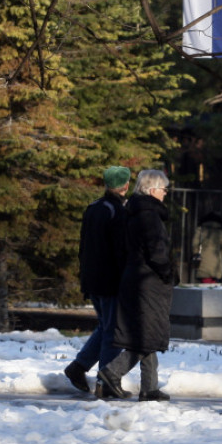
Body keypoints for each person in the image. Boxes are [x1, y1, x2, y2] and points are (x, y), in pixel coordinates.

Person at [98, 169, 176, 402]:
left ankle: (149, 388)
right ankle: (111, 372)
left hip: (138, 278)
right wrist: (167, 271)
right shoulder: (148, 214)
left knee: (148, 334)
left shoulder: (134, 210)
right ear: (153, 190)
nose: (165, 194)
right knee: (147, 337)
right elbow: (156, 250)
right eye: (164, 189)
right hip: (148, 281)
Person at [63, 165, 130, 395]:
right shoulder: (118, 211)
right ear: (126, 185)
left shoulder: (93, 208)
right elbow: (120, 250)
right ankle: (106, 380)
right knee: (114, 331)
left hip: (92, 278)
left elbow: (84, 246)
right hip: (110, 279)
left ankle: (78, 366)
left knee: (105, 326)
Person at [191, 212, 222, 283]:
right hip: (216, 264)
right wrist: (219, 255)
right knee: (213, 287)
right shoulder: (219, 232)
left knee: (204, 286)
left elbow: (194, 244)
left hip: (203, 262)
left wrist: (197, 253)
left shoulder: (200, 230)